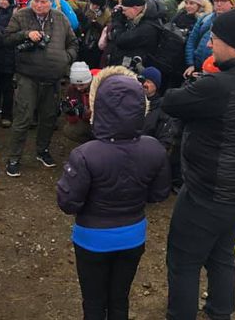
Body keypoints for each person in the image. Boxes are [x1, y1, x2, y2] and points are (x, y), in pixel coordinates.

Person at [162, 7, 235, 320]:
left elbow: (172, 102)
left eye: (214, 39)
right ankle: (219, 312)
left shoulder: (219, 86)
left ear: (232, 43)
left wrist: (199, 86)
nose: (211, 45)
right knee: (221, 254)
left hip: (209, 192)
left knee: (183, 261)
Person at [57, 66, 170, 319]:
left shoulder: (85, 154)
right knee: (119, 300)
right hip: (132, 236)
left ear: (99, 106)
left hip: (92, 239)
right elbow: (159, 193)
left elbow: (68, 203)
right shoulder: (153, 149)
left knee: (94, 303)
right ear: (141, 107)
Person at [3, 0, 78, 176]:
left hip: (52, 78)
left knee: (49, 117)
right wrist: (26, 34)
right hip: (27, 76)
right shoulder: (21, 16)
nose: (39, 5)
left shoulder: (61, 19)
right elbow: (7, 39)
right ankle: (14, 157)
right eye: (35, 1)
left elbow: (73, 42)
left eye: (43, 1)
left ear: (51, 2)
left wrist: (66, 58)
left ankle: (42, 151)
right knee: (23, 117)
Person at [183, 0, 235, 77]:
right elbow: (192, 40)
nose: (219, 4)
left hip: (219, 72)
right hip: (198, 67)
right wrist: (191, 64)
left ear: (232, 3)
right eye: (216, 0)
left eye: (223, 1)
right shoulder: (204, 19)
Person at [103, 0, 161, 68]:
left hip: (133, 68)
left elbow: (121, 40)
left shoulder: (147, 28)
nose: (123, 13)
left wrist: (117, 21)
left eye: (124, 10)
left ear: (135, 8)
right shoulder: (139, 19)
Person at [77, 0, 111, 69]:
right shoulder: (85, 6)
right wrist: (80, 13)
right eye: (93, 4)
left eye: (97, 5)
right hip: (82, 41)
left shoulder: (107, 14)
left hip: (95, 45)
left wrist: (98, 25)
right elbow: (71, 3)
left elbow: (108, 29)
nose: (94, 6)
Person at [61, 62, 94, 144]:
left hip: (101, 121)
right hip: (86, 121)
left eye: (82, 85)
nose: (78, 88)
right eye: (75, 85)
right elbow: (72, 116)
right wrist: (71, 112)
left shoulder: (99, 87)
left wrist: (90, 112)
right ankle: (90, 144)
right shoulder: (71, 89)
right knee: (69, 130)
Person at [140, 66, 173, 149]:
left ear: (156, 86)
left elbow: (164, 138)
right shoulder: (131, 101)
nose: (144, 84)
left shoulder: (161, 108)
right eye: (143, 81)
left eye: (148, 82)